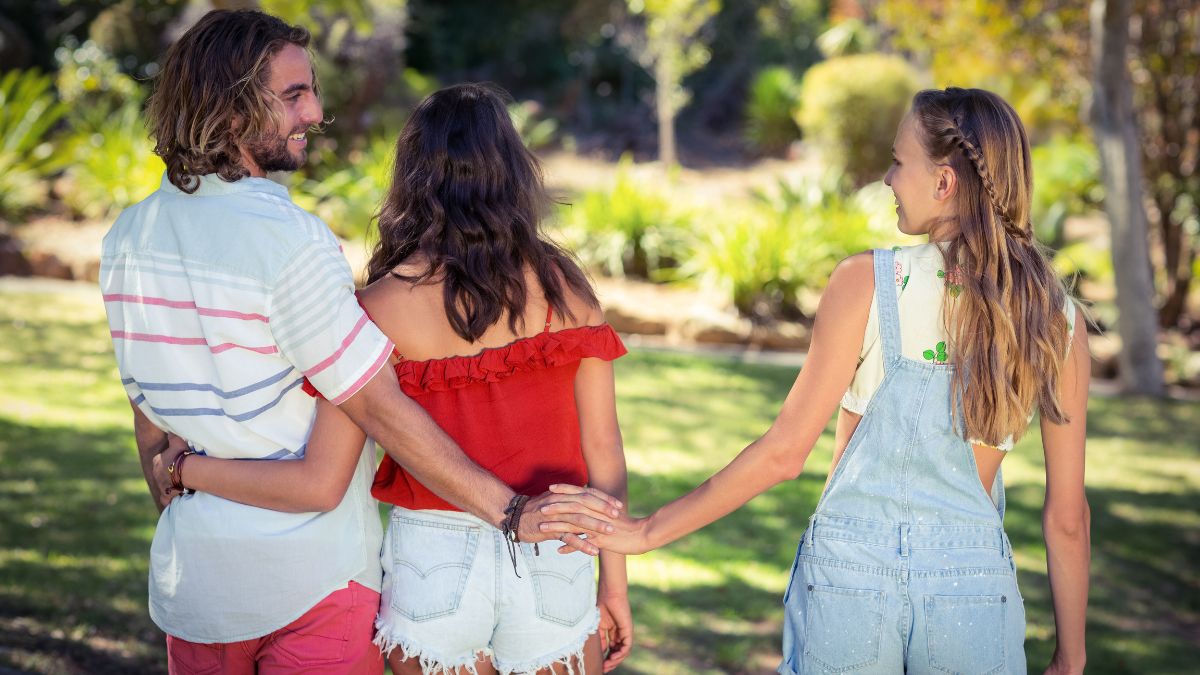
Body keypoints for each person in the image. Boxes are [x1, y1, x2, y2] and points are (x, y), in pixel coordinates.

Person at [103, 10, 620, 674]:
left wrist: (181, 475)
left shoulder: (124, 241)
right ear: (231, 113)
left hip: (197, 583)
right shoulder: (292, 241)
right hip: (317, 584)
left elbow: (151, 428)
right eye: (294, 95)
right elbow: (363, 425)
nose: (315, 112)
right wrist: (514, 512)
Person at [579, 87, 1091, 674]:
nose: (888, 178)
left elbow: (783, 454)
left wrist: (645, 532)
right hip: (971, 590)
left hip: (849, 577)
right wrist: (1070, 657)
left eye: (900, 162)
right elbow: (1067, 517)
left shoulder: (866, 283)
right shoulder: (1055, 319)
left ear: (945, 182)